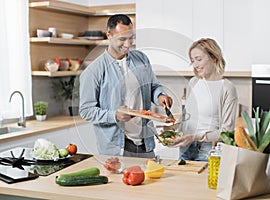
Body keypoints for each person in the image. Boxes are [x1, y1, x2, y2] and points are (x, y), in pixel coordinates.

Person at [79, 14, 173, 158]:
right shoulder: (93, 71)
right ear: (109, 35)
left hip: (145, 142)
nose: (128, 44)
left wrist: (160, 95)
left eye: (131, 38)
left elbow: (153, 86)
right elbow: (86, 111)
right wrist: (114, 115)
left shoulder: (141, 59)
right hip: (116, 147)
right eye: (122, 39)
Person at [172, 38, 238, 161]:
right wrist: (173, 129)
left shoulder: (227, 88)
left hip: (209, 149)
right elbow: (187, 116)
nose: (195, 65)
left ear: (213, 57)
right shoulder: (194, 82)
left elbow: (227, 131)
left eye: (199, 59)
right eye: (192, 61)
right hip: (185, 145)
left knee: (204, 180)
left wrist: (195, 137)